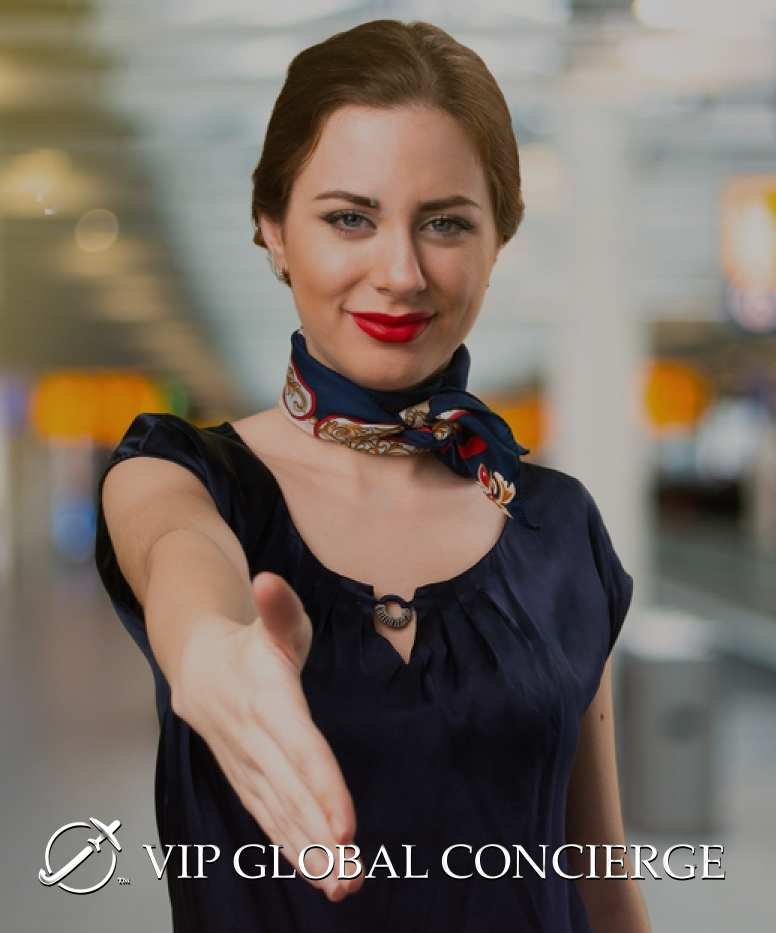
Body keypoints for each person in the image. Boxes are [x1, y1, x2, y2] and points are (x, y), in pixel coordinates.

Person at [97, 20, 651, 933]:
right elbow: (179, 553)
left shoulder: (559, 524)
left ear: (499, 238)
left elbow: (597, 872)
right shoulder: (182, 474)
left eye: (445, 223)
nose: (400, 272)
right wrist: (205, 648)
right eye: (349, 217)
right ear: (271, 229)